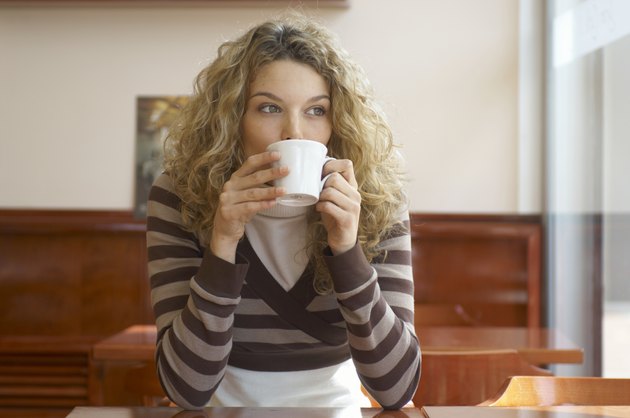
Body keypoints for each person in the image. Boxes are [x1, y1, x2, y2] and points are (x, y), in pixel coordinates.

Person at [146, 13, 420, 410]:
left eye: (316, 111)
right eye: (269, 108)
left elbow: (397, 390)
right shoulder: (180, 193)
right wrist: (223, 242)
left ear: (337, 122)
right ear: (232, 120)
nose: (295, 132)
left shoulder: (377, 196)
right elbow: (187, 391)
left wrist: (346, 249)